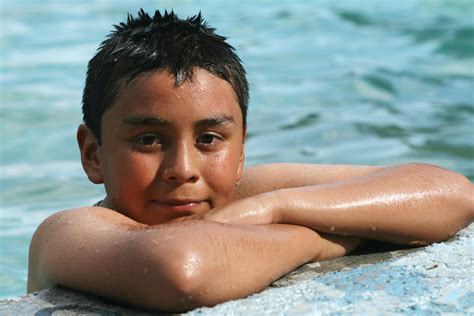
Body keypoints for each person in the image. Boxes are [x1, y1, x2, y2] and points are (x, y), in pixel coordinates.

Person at [27, 9, 473, 312]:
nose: (183, 167)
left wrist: (272, 208)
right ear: (93, 154)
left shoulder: (253, 197)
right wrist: (324, 239)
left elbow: (450, 192)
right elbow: (182, 271)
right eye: (148, 139)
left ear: (240, 152)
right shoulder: (70, 232)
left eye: (209, 138)